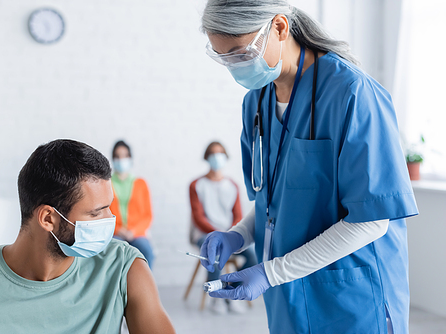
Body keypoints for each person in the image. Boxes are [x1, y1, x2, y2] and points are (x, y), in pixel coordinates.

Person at [198, 1, 418, 333]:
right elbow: (274, 201)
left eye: (241, 53)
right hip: (290, 302)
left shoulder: (353, 94)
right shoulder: (256, 104)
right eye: (224, 57)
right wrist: (237, 235)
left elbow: (371, 221)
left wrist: (270, 272)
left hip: (352, 301)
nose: (236, 67)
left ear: (280, 27)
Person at [0, 139, 175, 334]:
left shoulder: (123, 267)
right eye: (96, 213)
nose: (110, 219)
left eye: (109, 207)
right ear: (48, 219)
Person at [189, 141, 257, 314]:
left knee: (252, 256)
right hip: (204, 233)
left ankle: (232, 292)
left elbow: (238, 217)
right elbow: (198, 218)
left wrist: (229, 235)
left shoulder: (232, 186)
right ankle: (216, 298)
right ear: (207, 157)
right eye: (213, 153)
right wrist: (217, 235)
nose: (216, 157)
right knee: (214, 248)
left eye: (220, 153)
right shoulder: (196, 185)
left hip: (229, 233)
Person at [109, 140, 155, 269]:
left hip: (137, 232)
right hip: (115, 232)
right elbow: (103, 214)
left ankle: (144, 287)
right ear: (113, 159)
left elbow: (147, 216)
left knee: (147, 251)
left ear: (130, 158)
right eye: (117, 156)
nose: (121, 159)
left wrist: (134, 231)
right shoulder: (107, 184)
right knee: (115, 252)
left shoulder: (141, 183)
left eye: (124, 156)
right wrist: (118, 229)